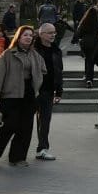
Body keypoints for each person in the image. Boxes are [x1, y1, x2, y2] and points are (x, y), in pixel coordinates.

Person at [0, 26, 46, 166]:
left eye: (31, 35)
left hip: (29, 94)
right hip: (11, 94)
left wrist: (37, 79)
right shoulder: (8, 54)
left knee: (26, 128)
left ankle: (17, 158)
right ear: (18, 37)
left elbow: (43, 69)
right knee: (11, 124)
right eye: (25, 35)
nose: (28, 37)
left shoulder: (34, 54)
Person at [33, 23, 63, 161]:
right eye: (49, 33)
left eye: (54, 33)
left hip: (48, 91)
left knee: (45, 121)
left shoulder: (56, 50)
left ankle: (42, 149)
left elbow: (59, 72)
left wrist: (59, 91)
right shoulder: (33, 50)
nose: (52, 35)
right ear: (41, 34)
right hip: (32, 90)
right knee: (23, 122)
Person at [76, 2, 98, 88]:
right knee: (93, 60)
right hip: (95, 43)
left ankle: (88, 77)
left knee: (88, 60)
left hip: (85, 43)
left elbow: (79, 33)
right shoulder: (97, 22)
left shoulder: (84, 22)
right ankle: (92, 77)